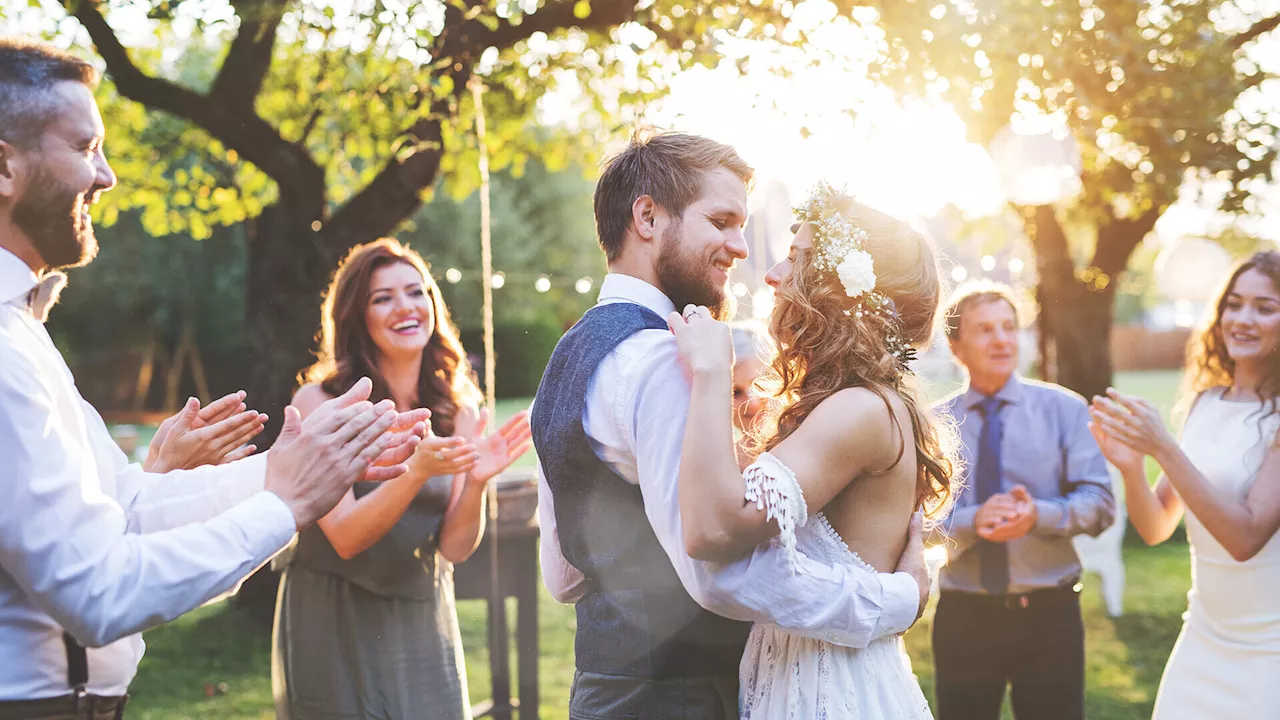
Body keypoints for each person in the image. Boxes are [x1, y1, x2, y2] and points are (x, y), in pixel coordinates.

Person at [0, 38, 426, 717]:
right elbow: (99, 592)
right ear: (5, 167)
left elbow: (128, 508)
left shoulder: (20, 332)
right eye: (84, 148)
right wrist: (284, 504)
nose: (106, 175)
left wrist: (290, 466)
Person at [532, 131, 932, 720]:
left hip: (605, 684)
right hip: (681, 695)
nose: (742, 249)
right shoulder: (667, 358)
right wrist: (897, 600)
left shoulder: (571, 353)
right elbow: (718, 576)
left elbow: (566, 575)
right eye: (721, 221)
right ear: (647, 216)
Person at [669, 184, 958, 717]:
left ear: (845, 290)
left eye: (798, 260)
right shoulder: (858, 403)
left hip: (833, 694)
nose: (774, 274)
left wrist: (711, 373)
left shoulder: (862, 410)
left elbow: (711, 531)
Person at [274, 238, 532, 720]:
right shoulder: (321, 402)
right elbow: (347, 536)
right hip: (335, 613)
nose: (405, 307)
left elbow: (455, 548)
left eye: (416, 292)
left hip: (420, 610)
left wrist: (475, 481)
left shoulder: (459, 409)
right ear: (357, 316)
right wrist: (415, 472)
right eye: (382, 297)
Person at [1089, 250, 1280, 720]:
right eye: (1233, 304)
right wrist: (1133, 466)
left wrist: (1163, 448)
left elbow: (1245, 537)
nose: (1242, 318)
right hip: (1202, 639)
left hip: (1269, 653)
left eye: (1264, 307)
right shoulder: (1205, 403)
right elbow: (1155, 528)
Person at [931, 282, 1115, 720]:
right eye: (985, 330)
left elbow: (1101, 503)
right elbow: (910, 521)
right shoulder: (932, 424)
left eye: (1009, 327)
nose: (1001, 339)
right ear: (956, 345)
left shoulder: (1065, 410)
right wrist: (973, 521)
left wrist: (1039, 515)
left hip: (1051, 614)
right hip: (964, 616)